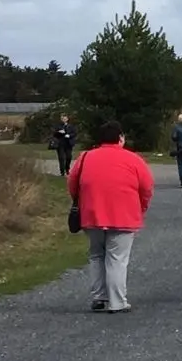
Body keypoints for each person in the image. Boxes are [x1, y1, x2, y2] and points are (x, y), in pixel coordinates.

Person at [67, 119, 154, 313]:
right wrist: (142, 207)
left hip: (92, 214)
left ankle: (99, 296)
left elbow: (73, 183)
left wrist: (80, 201)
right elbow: (147, 187)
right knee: (117, 258)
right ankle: (117, 301)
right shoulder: (133, 159)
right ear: (121, 138)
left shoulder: (85, 157)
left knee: (97, 255)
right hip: (123, 215)